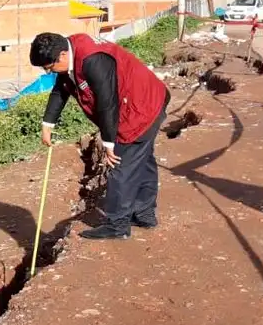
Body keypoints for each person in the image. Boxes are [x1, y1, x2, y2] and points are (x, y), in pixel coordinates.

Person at [29, 32, 171, 240]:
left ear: (61, 55)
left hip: (141, 106)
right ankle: (144, 213)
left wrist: (109, 143)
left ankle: (117, 225)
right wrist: (47, 124)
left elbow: (107, 103)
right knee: (142, 160)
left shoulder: (93, 60)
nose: (49, 72)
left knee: (119, 165)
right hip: (143, 100)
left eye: (49, 68)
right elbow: (61, 88)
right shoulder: (70, 51)